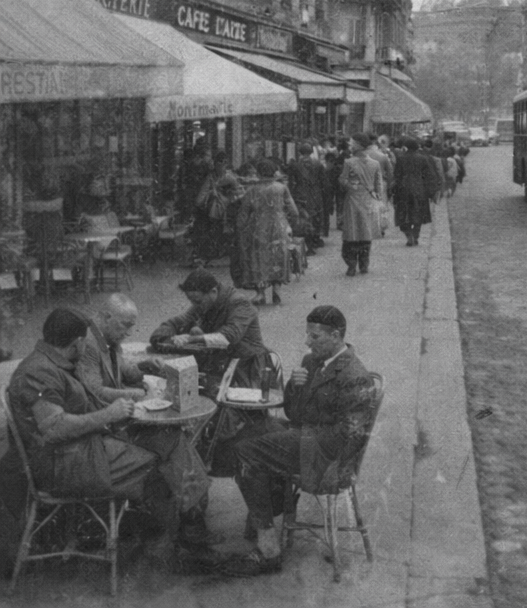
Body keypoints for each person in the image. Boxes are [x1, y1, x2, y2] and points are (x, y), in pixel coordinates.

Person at [6, 309, 213, 549]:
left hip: (77, 451)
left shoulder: (52, 362)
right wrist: (108, 414)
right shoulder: (39, 372)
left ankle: (187, 523)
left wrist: (115, 414)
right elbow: (54, 427)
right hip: (64, 464)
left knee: (168, 439)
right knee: (162, 462)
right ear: (78, 343)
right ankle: (187, 536)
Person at [226, 306, 376, 575]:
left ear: (336, 336)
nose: (307, 342)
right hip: (310, 437)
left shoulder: (354, 375)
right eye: (307, 334)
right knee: (250, 431)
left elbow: (352, 437)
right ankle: (268, 507)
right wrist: (295, 387)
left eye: (315, 336)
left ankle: (268, 546)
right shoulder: (312, 362)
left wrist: (296, 438)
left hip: (328, 456)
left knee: (247, 451)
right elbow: (293, 413)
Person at [234, 159, 301, 305]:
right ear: (274, 172)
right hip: (279, 226)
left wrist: (240, 230)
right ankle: (277, 290)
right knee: (278, 256)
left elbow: (243, 215)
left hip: (258, 228)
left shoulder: (252, 190)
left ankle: (260, 293)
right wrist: (292, 225)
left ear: (258, 173)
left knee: (259, 257)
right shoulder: (281, 188)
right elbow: (294, 211)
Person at [338, 134, 385, 277]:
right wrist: (377, 197)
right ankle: (364, 265)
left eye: (352, 144)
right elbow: (379, 184)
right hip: (369, 200)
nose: (351, 146)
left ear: (358, 145)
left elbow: (342, 180)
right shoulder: (375, 163)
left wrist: (352, 186)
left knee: (352, 232)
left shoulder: (349, 162)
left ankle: (351, 265)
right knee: (366, 232)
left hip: (353, 200)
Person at [391, 136, 440, 247]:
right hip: (419, 189)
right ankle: (415, 234)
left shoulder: (401, 158)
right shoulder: (423, 158)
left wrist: (394, 189)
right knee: (418, 213)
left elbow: (397, 175)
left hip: (403, 189)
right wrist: (431, 191)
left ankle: (408, 235)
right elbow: (429, 175)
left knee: (403, 213)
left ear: (406, 147)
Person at [286, 143, 328, 251]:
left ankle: (305, 239)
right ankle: (315, 238)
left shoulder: (295, 165)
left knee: (303, 216)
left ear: (299, 152)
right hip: (315, 192)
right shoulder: (318, 164)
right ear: (311, 152)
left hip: (300, 192)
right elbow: (324, 181)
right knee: (315, 215)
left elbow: (291, 182)